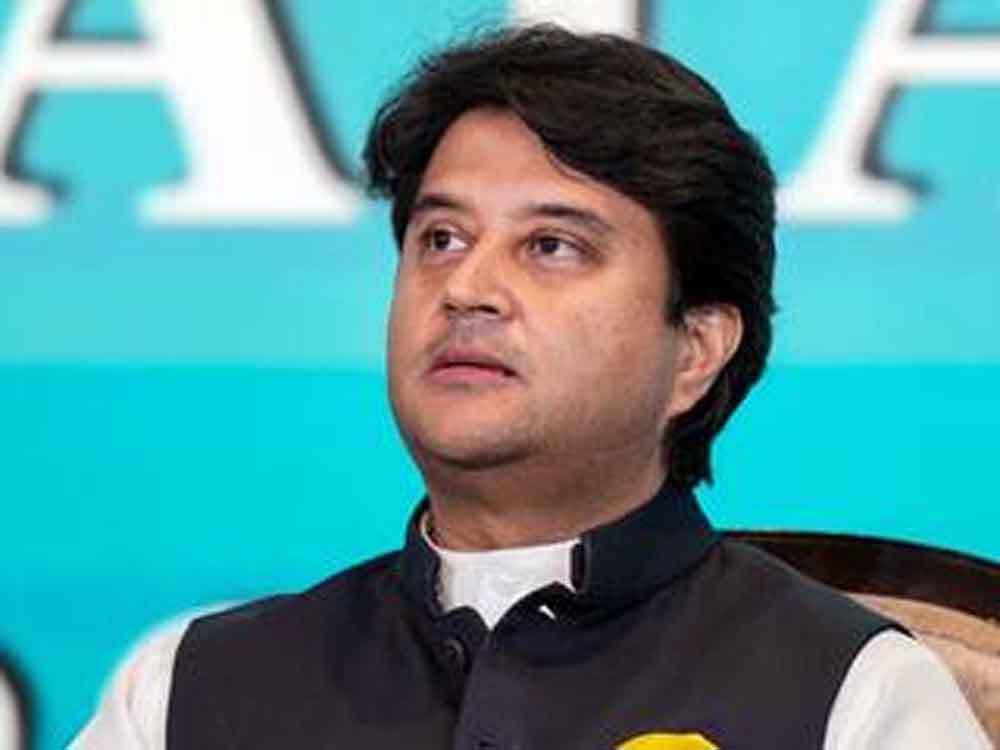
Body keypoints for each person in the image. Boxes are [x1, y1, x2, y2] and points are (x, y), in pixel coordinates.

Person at [72, 24, 990, 749]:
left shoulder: (854, 699)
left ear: (695, 350)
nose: (467, 288)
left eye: (552, 246)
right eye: (441, 239)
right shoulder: (187, 693)